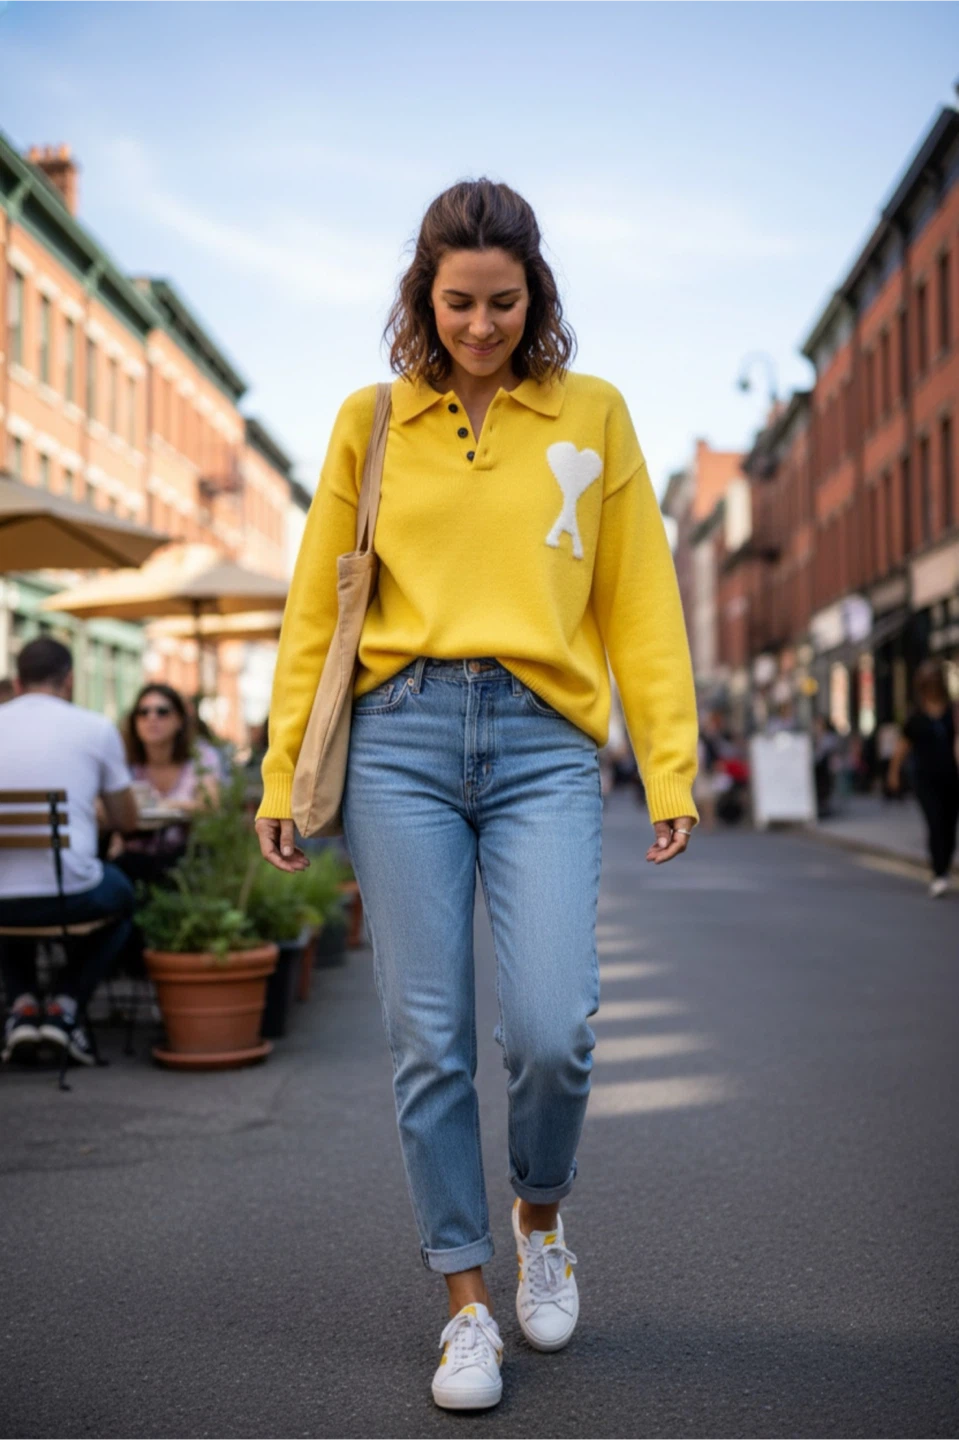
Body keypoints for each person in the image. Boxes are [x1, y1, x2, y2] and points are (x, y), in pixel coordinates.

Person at [254, 179, 699, 1411]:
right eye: (457, 302)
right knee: (427, 1040)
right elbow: (316, 607)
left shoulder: (592, 414)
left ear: (534, 293)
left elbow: (640, 602)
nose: (481, 325)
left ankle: (538, 1222)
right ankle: (463, 1305)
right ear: (423, 295)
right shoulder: (372, 422)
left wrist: (666, 758)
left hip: (543, 740)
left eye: (503, 302)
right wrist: (288, 767)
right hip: (397, 738)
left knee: (552, 1027)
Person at [0, 638, 137, 1065]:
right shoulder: (95, 727)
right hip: (70, 895)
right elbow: (127, 821)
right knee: (124, 898)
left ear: (18, 680)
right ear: (70, 679)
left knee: (11, 893)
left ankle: (22, 1003)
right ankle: (65, 1004)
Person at [113, 683, 219, 883]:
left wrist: (170, 805)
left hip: (186, 857)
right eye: (143, 712)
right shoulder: (123, 759)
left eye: (162, 712)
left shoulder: (200, 756)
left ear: (179, 720)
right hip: (132, 856)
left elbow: (211, 804)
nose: (152, 718)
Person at [888, 660, 958, 898]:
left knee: (949, 826)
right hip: (925, 780)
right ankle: (939, 873)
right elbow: (902, 748)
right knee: (935, 822)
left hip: (952, 779)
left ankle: (944, 867)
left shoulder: (953, 712)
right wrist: (893, 773)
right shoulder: (916, 717)